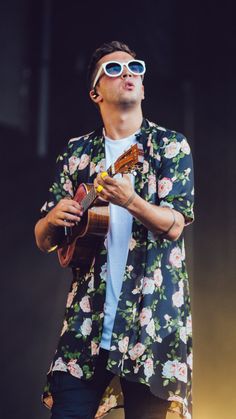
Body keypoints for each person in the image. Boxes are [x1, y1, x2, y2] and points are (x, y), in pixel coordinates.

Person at [35, 40, 194, 419]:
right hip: (88, 323)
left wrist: (132, 201)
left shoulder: (168, 147)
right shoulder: (77, 153)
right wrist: (53, 218)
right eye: (113, 68)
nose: (127, 73)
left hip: (150, 322)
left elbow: (174, 225)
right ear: (95, 92)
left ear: (143, 86)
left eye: (135, 68)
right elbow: (44, 239)